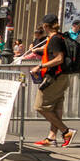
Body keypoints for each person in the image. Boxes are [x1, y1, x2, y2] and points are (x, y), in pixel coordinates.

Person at [31, 13, 75, 148]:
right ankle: (51, 138)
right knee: (56, 108)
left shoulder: (55, 39)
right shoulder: (59, 37)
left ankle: (66, 131)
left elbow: (59, 58)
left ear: (45, 26)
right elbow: (53, 51)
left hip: (54, 77)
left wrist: (40, 66)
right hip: (61, 77)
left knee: (40, 106)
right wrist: (41, 49)